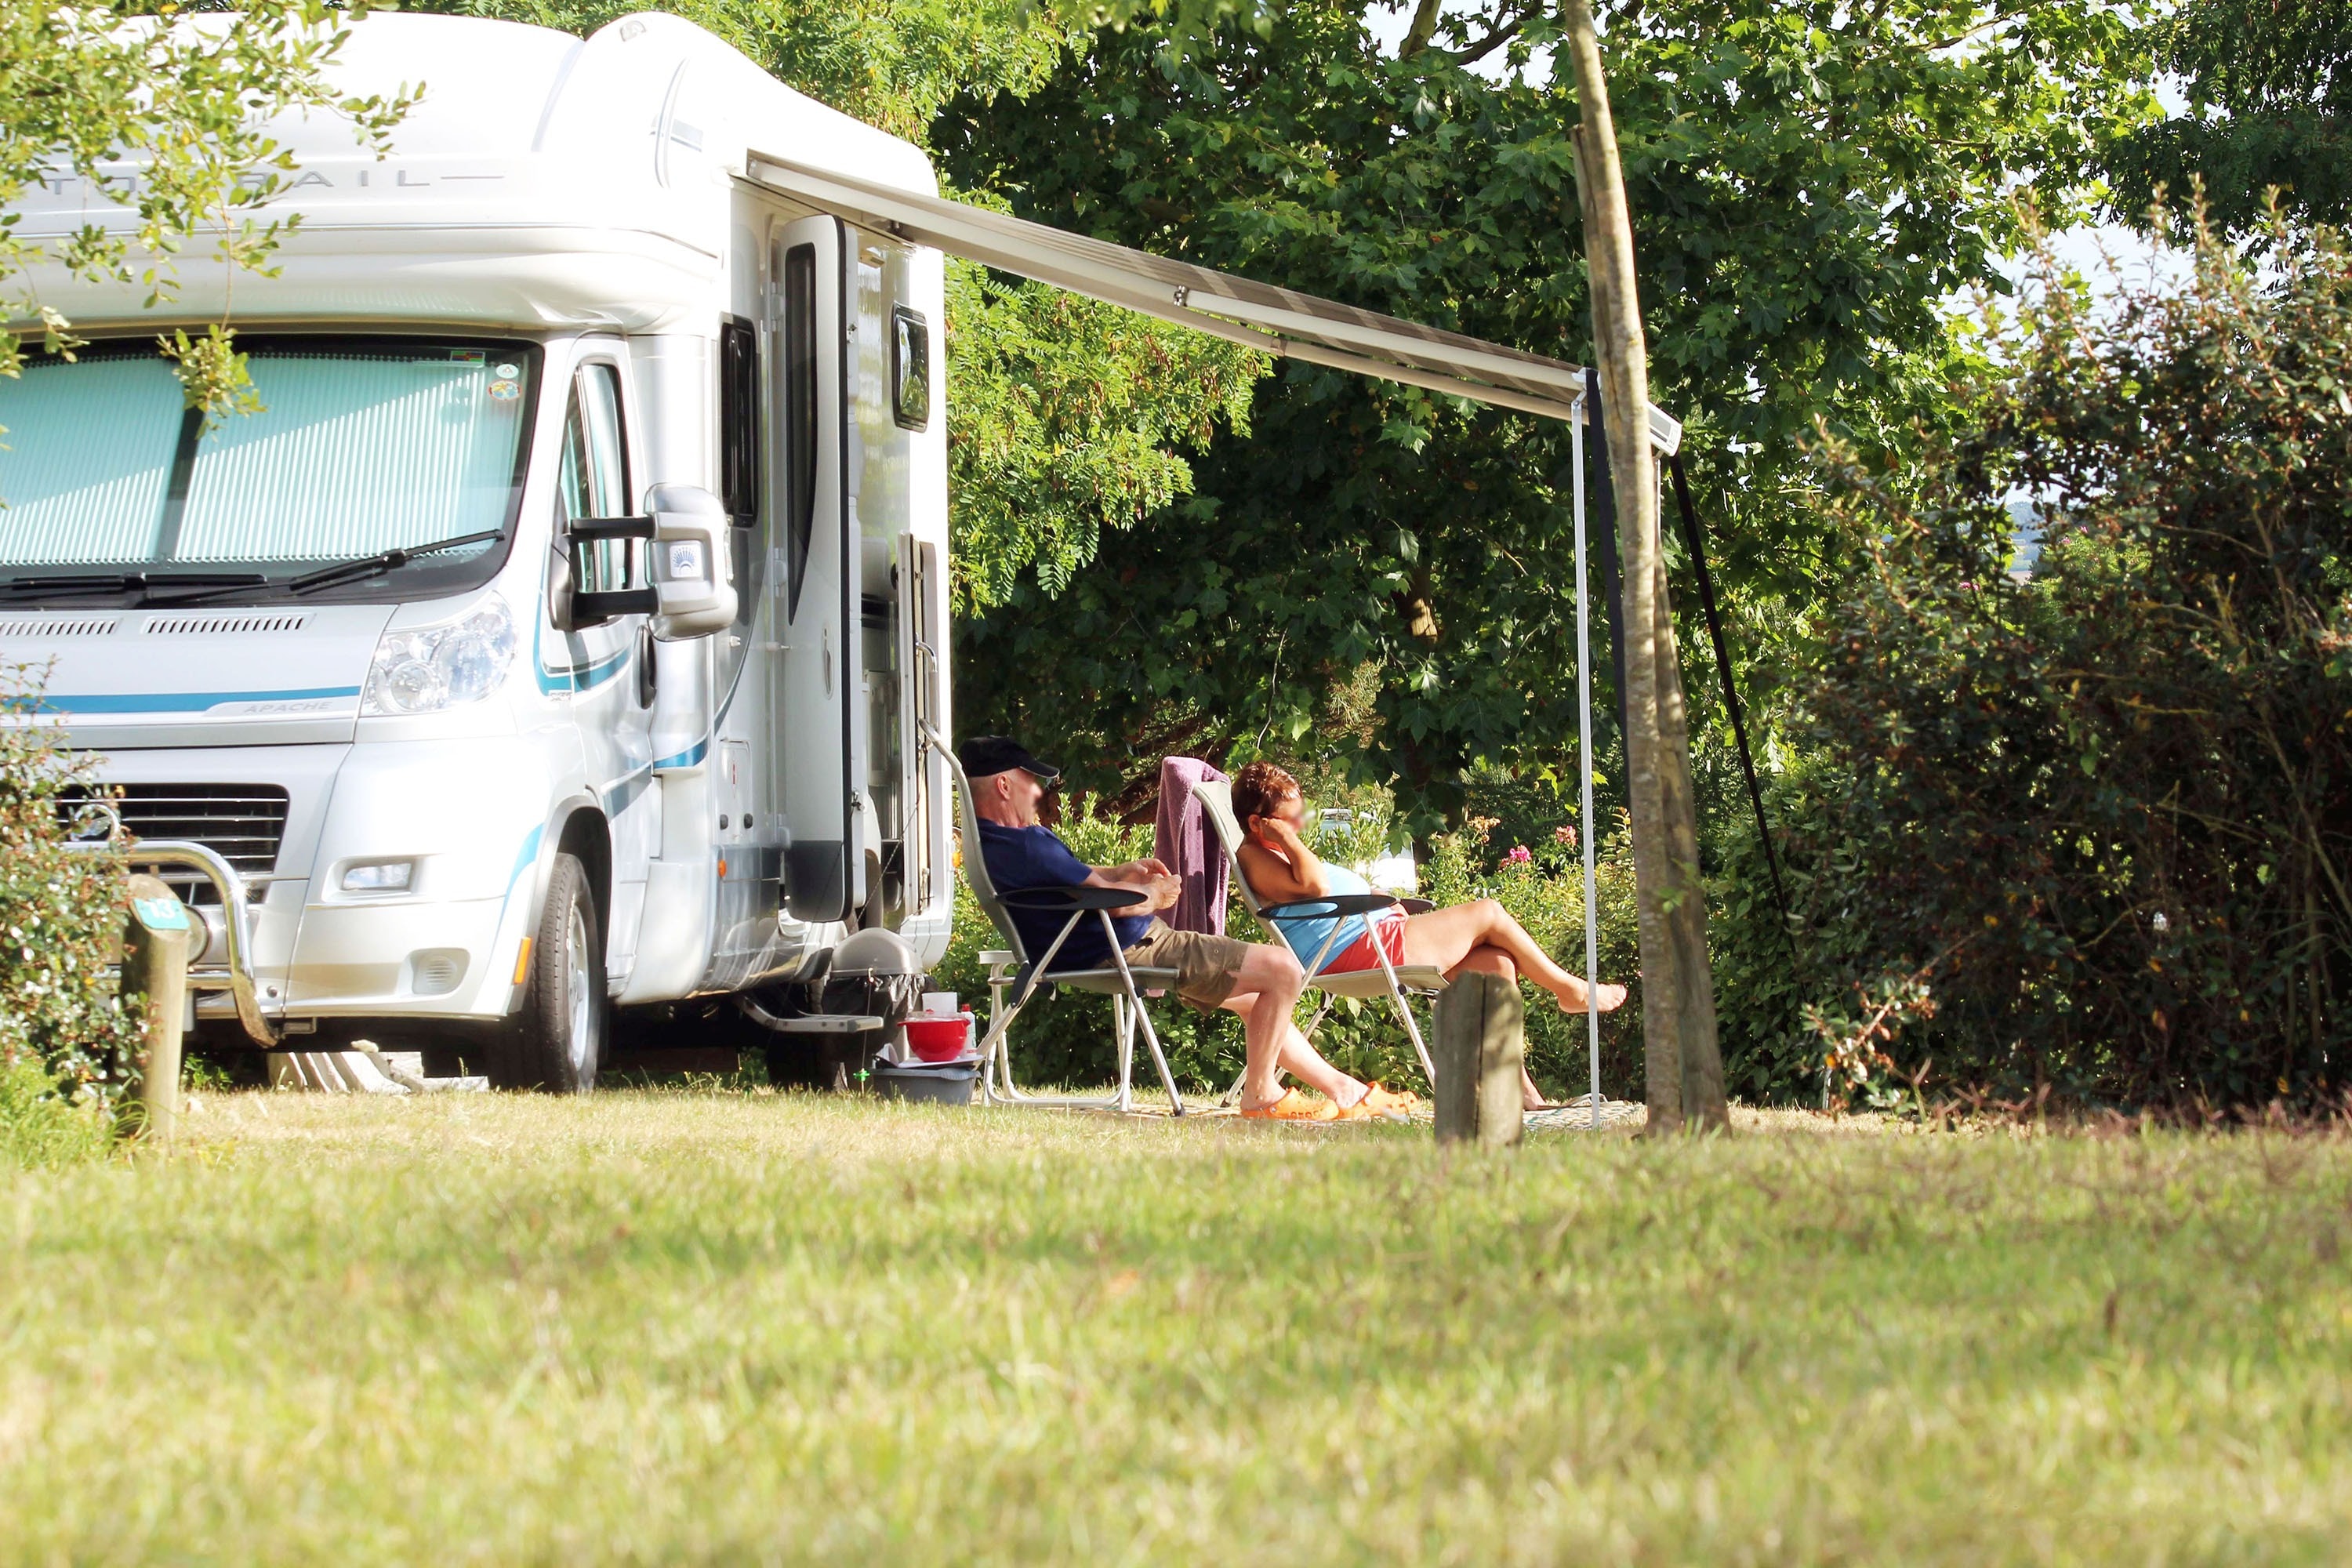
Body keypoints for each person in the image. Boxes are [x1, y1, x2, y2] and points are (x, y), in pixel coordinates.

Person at [961, 736, 1415, 1121]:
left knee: (1259, 999)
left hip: (1111, 943)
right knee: (1283, 970)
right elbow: (1111, 904)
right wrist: (1155, 895)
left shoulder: (1008, 842)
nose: (1038, 791)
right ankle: (1261, 1095)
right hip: (1126, 947)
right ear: (1004, 784)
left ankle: (1344, 1091)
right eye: (1031, 780)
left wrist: (1123, 871)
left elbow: (1082, 882)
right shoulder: (1025, 845)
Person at [1229, 760, 1628, 1112]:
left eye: (1302, 815)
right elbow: (1317, 888)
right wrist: (1287, 838)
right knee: (1488, 912)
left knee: (1494, 964)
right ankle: (1570, 990)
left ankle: (1520, 1092)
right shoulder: (1256, 857)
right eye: (1290, 820)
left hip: (1375, 935)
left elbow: (1320, 888)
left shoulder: (1278, 850)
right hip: (1353, 949)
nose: (1300, 825)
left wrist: (1383, 900)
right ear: (1258, 823)